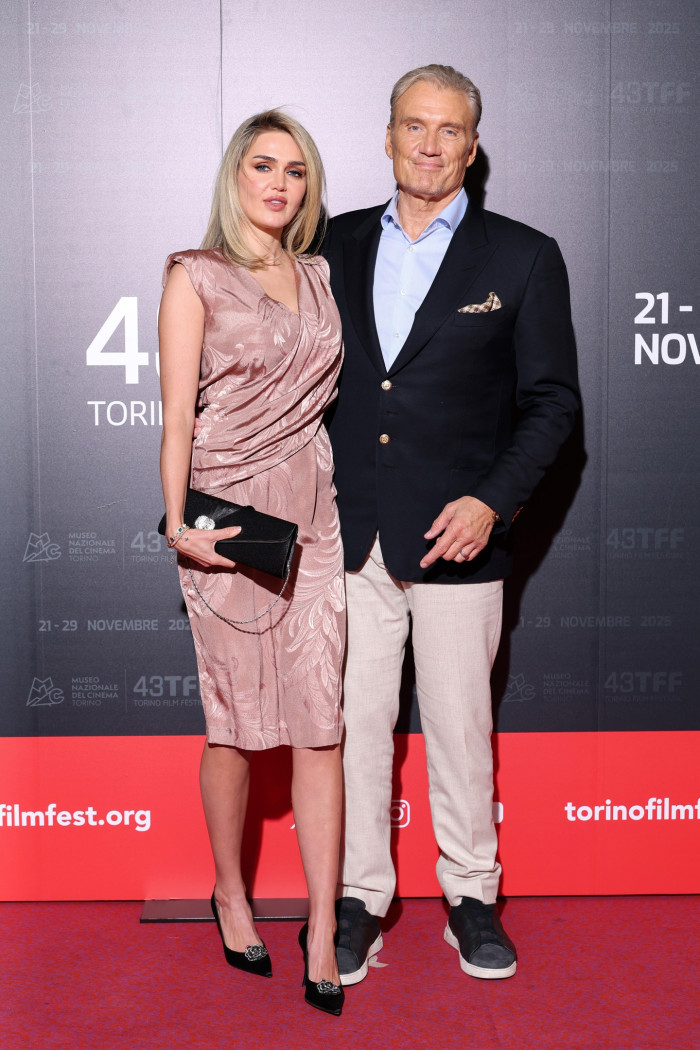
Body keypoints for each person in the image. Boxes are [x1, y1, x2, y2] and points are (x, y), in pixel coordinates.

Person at [323, 65, 580, 982]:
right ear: (388, 134)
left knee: (462, 730)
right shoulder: (332, 242)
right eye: (414, 125)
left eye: (450, 130)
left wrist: (491, 501)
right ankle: (358, 899)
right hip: (351, 534)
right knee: (354, 729)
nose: (429, 145)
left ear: (473, 147)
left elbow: (552, 404)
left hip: (459, 541)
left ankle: (472, 895)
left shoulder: (523, 256)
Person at [159, 110, 346, 1015]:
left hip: (314, 519)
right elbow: (177, 420)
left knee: (322, 727)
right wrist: (177, 524)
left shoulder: (319, 274)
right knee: (231, 725)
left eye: (296, 170)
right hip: (229, 526)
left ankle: (322, 926)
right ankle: (230, 895)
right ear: (236, 176)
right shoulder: (194, 276)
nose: (279, 183)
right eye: (263, 166)